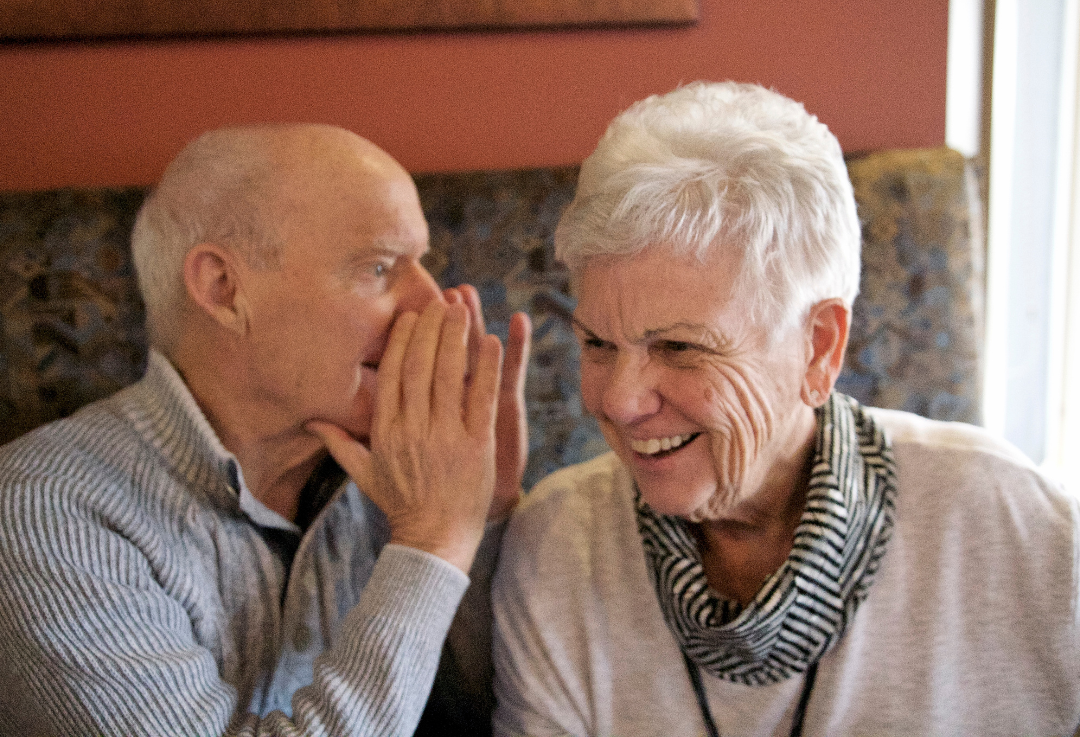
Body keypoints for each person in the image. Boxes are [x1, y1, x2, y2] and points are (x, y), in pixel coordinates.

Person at [491, 81, 1080, 736]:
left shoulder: (1011, 526)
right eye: (597, 343)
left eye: (681, 347)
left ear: (818, 348)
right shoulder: (557, 547)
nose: (618, 402)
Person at [0, 123, 531, 736]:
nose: (432, 306)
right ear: (224, 289)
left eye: (424, 265)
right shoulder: (46, 509)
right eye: (379, 268)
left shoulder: (404, 470)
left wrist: (485, 522)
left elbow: (480, 718)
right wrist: (433, 541)